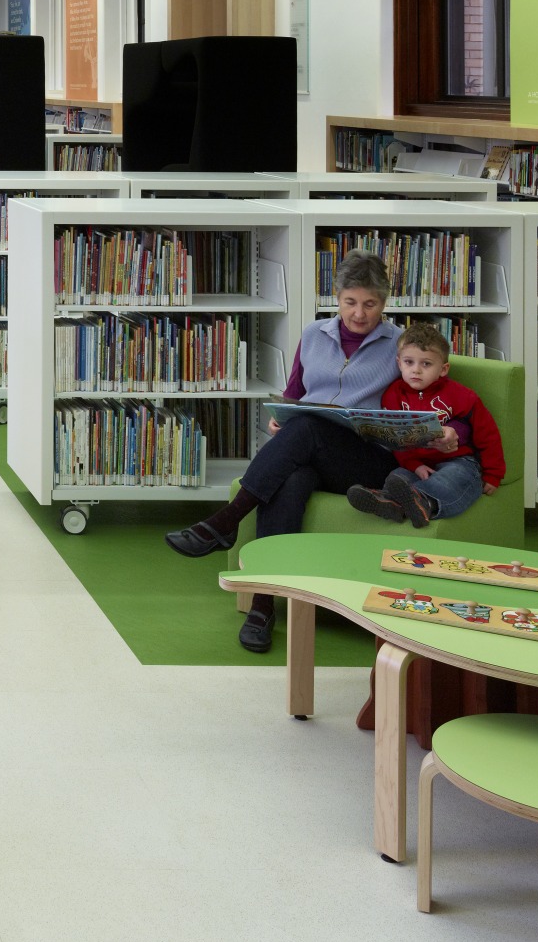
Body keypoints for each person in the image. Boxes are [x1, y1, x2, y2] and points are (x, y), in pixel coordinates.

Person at [162, 250, 403, 652]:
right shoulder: (313, 334)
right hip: (313, 450)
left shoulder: (398, 344)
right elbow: (294, 393)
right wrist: (281, 418)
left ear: (385, 302)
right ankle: (262, 606)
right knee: (293, 476)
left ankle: (226, 521)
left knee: (308, 428)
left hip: (367, 458)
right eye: (350, 302)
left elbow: (422, 399)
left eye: (370, 304)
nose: (359, 314)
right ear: (336, 296)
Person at [347, 323, 505, 529]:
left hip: (458, 460)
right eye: (409, 362)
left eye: (426, 364)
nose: (416, 370)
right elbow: (395, 439)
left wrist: (494, 473)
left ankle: (424, 502)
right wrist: (414, 465)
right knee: (398, 477)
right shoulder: (393, 396)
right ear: (399, 363)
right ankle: (389, 501)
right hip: (416, 461)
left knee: (455, 478)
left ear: (443, 369)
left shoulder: (463, 396)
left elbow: (488, 434)